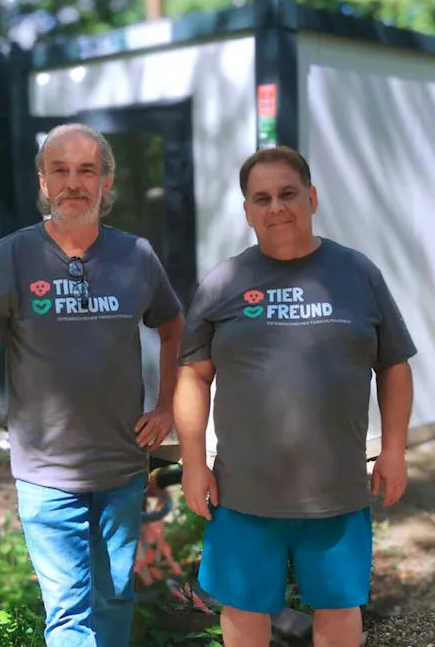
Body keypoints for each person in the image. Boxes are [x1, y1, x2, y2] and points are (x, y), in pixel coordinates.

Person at [0, 123, 185, 647]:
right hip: (45, 473)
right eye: (60, 171)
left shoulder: (135, 255)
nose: (74, 182)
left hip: (121, 464)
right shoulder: (13, 256)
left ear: (106, 182)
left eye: (87, 170)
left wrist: (165, 408)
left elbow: (172, 326)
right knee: (69, 612)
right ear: (44, 183)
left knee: (115, 594)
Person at [173, 146, 417, 647]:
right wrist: (194, 463)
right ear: (247, 211)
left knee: (338, 608)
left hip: (336, 490)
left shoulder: (357, 274)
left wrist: (394, 450)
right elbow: (192, 377)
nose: (276, 207)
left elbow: (393, 365)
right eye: (261, 198)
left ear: (312, 197)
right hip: (242, 491)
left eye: (287, 194)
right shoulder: (223, 284)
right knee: (243, 609)